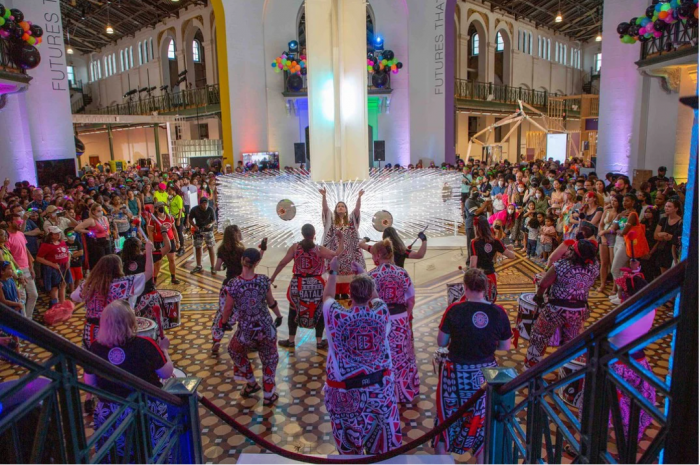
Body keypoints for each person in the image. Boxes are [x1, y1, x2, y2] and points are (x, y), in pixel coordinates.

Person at [321, 256, 401, 455]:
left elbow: (327, 298)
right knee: (382, 450)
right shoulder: (381, 312)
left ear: (349, 294)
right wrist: (364, 274)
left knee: (349, 449)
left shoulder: (337, 315)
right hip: (379, 390)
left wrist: (333, 271)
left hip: (346, 395)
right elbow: (376, 298)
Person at [434, 268, 512, 460]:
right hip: (485, 375)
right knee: (480, 426)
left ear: (465, 287)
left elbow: (441, 342)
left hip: (455, 375)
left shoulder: (455, 309)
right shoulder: (498, 312)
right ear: (486, 288)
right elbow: (505, 346)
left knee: (446, 423)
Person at [83, 300, 173, 462]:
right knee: (153, 452)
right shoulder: (145, 344)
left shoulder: (95, 348)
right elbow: (166, 373)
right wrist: (164, 349)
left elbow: (90, 383)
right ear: (131, 322)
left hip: (110, 412)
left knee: (118, 456)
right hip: (147, 410)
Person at [219, 248, 282, 405]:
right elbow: (271, 302)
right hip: (266, 328)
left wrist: (223, 322)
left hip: (246, 332)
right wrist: (279, 316)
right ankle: (269, 395)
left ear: (242, 260)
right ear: (257, 263)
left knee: (234, 350)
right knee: (269, 359)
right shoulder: (263, 280)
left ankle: (251, 381)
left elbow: (227, 308)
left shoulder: (233, 284)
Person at [525, 239, 599, 367]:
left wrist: (539, 296)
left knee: (539, 336)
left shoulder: (561, 265)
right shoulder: (595, 266)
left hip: (555, 309)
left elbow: (543, 284)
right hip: (578, 310)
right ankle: (566, 370)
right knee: (570, 342)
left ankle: (531, 367)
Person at [271, 224, 343, 350]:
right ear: (314, 234)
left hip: (298, 284)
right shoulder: (319, 249)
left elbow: (282, 262)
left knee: (293, 310)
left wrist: (273, 277)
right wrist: (341, 239)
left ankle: (291, 340)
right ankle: (319, 341)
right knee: (319, 311)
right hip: (317, 285)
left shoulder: (295, 247)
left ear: (302, 233)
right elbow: (337, 254)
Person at [367, 239, 420, 403]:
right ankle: (404, 393)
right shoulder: (402, 272)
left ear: (377, 255)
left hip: (381, 320)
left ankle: (383, 394)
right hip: (401, 317)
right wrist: (405, 315)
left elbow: (367, 302)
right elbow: (411, 299)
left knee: (382, 355)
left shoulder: (372, 275)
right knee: (403, 355)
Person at [211, 225, 249, 353]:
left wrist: (225, 267)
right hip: (240, 284)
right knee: (243, 313)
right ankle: (244, 341)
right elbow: (246, 267)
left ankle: (216, 340)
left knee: (222, 312)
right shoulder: (241, 249)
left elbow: (216, 267)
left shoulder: (222, 249)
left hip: (227, 284)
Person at [320, 187, 365, 296]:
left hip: (349, 256)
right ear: (335, 209)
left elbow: (357, 209)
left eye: (343, 206)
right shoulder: (331, 220)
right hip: (335, 254)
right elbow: (325, 209)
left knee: (348, 287)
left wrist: (359, 197)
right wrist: (324, 196)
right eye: (338, 206)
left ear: (346, 209)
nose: (340, 208)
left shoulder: (351, 220)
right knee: (334, 280)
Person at [120, 237, 167, 336]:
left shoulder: (122, 261)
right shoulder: (146, 257)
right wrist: (164, 233)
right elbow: (168, 247)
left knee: (137, 327)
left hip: (131, 300)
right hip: (148, 297)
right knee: (154, 326)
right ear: (138, 248)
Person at [470, 216, 516, 302]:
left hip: (479, 277)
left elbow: (473, 265)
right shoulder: (496, 241)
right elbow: (511, 256)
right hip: (491, 275)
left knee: (478, 301)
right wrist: (505, 247)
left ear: (477, 228)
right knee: (490, 299)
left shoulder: (474, 242)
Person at [5, 214, 38, 319]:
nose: (21, 224)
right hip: (17, 270)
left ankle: (29, 318)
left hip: (26, 268)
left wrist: (31, 267)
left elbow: (26, 250)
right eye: (18, 222)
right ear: (9, 223)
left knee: (33, 294)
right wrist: (18, 274)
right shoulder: (7, 237)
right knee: (22, 296)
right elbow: (9, 258)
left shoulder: (20, 233)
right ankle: (24, 320)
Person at [147, 202, 180, 285]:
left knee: (172, 260)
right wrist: (152, 244)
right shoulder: (153, 219)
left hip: (170, 240)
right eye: (159, 207)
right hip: (159, 242)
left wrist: (177, 241)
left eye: (163, 206)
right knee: (158, 262)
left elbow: (174, 229)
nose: (162, 208)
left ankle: (173, 277)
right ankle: (154, 279)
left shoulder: (169, 217)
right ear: (156, 209)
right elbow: (150, 232)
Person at [75, 203, 113, 270]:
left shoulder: (104, 218)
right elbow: (77, 228)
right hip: (97, 242)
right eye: (98, 211)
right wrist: (89, 232)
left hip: (106, 240)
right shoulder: (91, 220)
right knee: (101, 261)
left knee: (109, 259)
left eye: (101, 210)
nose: (100, 212)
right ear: (93, 211)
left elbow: (106, 228)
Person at [654, 199, 682, 273]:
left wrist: (667, 235)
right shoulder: (663, 220)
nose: (666, 208)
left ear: (676, 209)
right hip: (663, 250)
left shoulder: (680, 221)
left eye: (669, 206)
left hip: (674, 251)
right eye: (666, 206)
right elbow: (656, 235)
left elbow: (678, 238)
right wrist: (665, 236)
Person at [189, 197, 216, 274]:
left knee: (210, 247)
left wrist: (210, 224)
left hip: (208, 230)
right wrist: (194, 226)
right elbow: (190, 219)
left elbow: (214, 220)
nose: (205, 205)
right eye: (203, 204)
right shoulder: (194, 210)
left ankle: (213, 266)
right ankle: (199, 266)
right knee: (198, 247)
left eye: (206, 203)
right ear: (200, 204)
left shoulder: (210, 210)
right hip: (198, 230)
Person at [464, 187, 490, 261]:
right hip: (471, 225)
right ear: (470, 192)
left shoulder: (480, 199)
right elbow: (476, 212)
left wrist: (489, 204)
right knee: (471, 244)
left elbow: (488, 210)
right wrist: (484, 205)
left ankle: (480, 260)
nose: (476, 192)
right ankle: (470, 261)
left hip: (480, 225)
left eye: (476, 190)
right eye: (473, 190)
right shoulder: (468, 201)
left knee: (480, 243)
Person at [167, 185, 185, 256]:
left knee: (179, 232)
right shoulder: (172, 198)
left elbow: (180, 209)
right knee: (176, 232)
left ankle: (182, 248)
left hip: (179, 217)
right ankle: (178, 246)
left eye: (169, 190)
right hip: (173, 217)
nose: (168, 191)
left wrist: (178, 220)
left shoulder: (178, 197)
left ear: (173, 190)